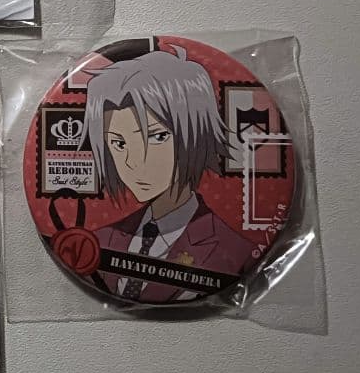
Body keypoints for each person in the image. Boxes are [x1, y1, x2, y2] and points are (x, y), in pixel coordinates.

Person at [82, 47, 255, 303]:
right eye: (119, 143)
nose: (133, 162)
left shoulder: (233, 249)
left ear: (196, 134)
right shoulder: (102, 239)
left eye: (157, 137)